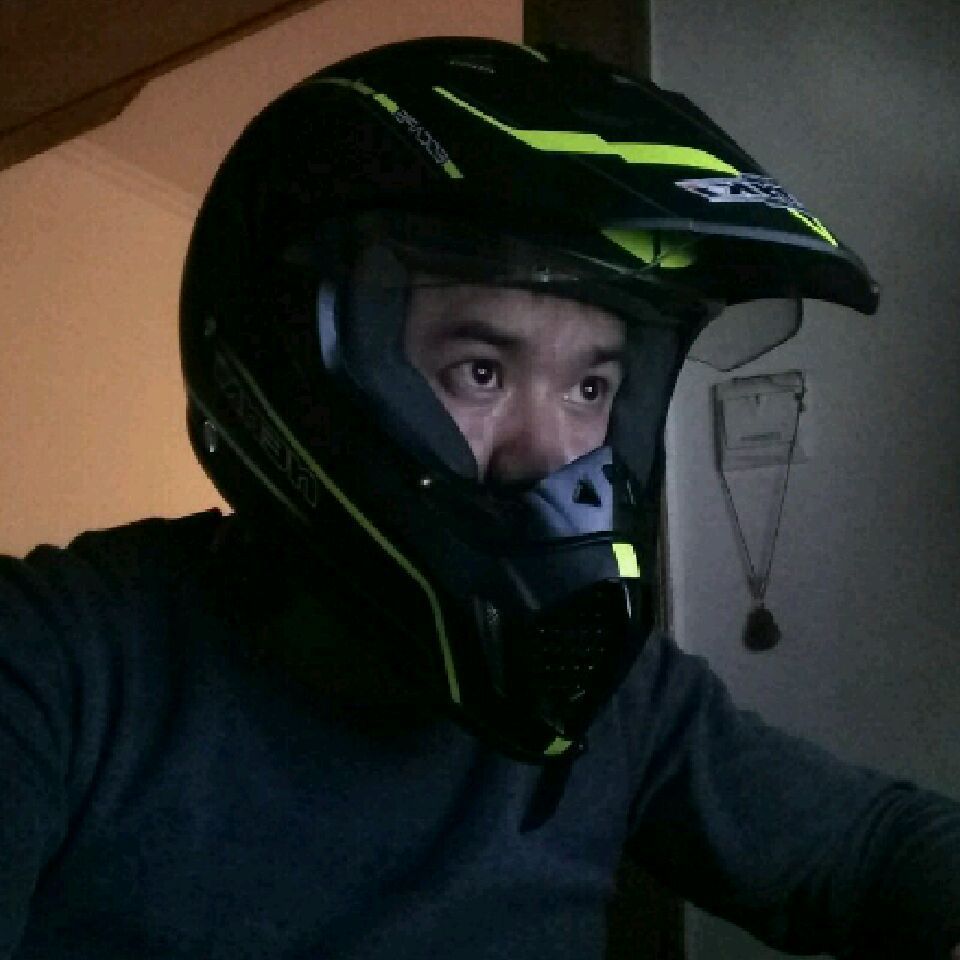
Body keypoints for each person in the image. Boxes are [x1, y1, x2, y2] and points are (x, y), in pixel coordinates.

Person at [1, 35, 958, 960]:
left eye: (592, 386)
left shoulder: (621, 703)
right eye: (481, 370)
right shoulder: (62, 658)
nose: (554, 457)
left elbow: (881, 850)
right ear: (305, 371)